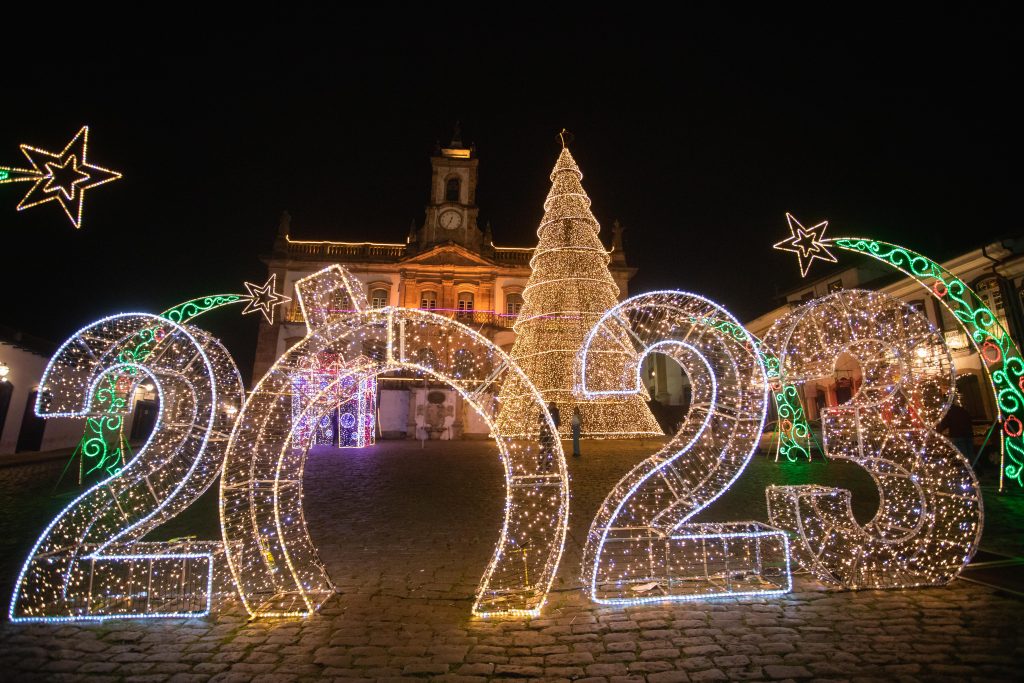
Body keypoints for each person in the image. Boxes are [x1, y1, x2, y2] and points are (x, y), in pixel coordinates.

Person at [939, 400, 976, 465]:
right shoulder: (962, 410)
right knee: (971, 454)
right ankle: (976, 468)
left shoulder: (949, 412)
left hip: (957, 436)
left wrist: (937, 431)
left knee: (963, 455)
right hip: (968, 434)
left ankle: (969, 470)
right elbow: (970, 419)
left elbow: (944, 424)